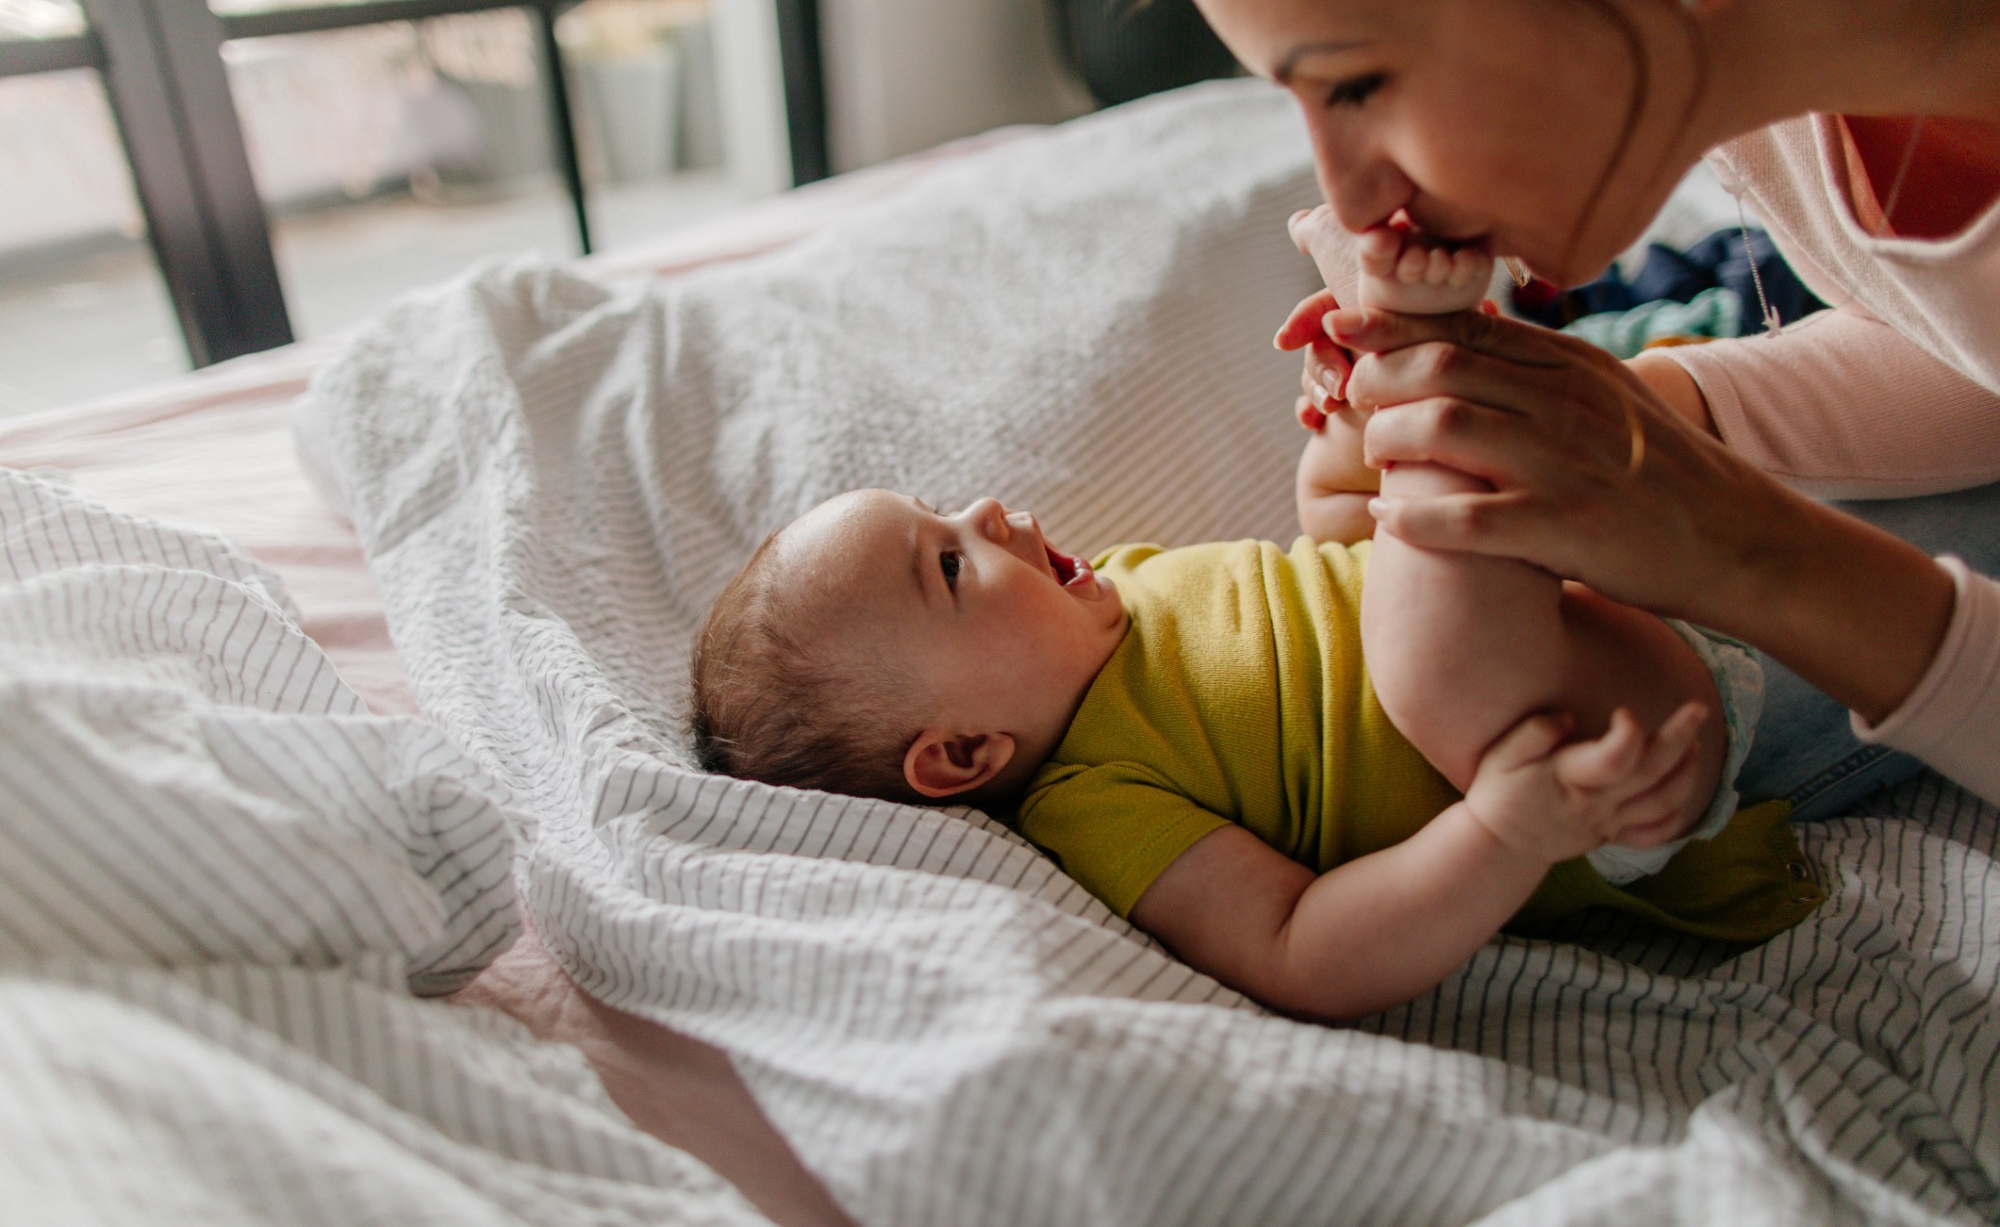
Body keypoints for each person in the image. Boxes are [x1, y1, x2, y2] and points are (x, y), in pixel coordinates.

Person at [687, 228, 1821, 1026]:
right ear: (965, 754)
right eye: (946, 562)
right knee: (1430, 655)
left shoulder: (1124, 587)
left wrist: (1340, 442)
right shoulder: (1097, 800)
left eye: (944, 508)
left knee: (1389, 519)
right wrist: (1503, 833)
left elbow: (1328, 562)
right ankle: (1435, 355)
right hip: (1591, 751)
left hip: (1622, 590)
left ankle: (1421, 396)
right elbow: (1301, 950)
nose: (981, 511)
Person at [1105, 0, 2000, 815]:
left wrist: (1746, 550)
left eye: (1361, 82)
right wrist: (1650, 412)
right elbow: (1963, 339)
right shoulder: (1770, 51)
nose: (1358, 201)